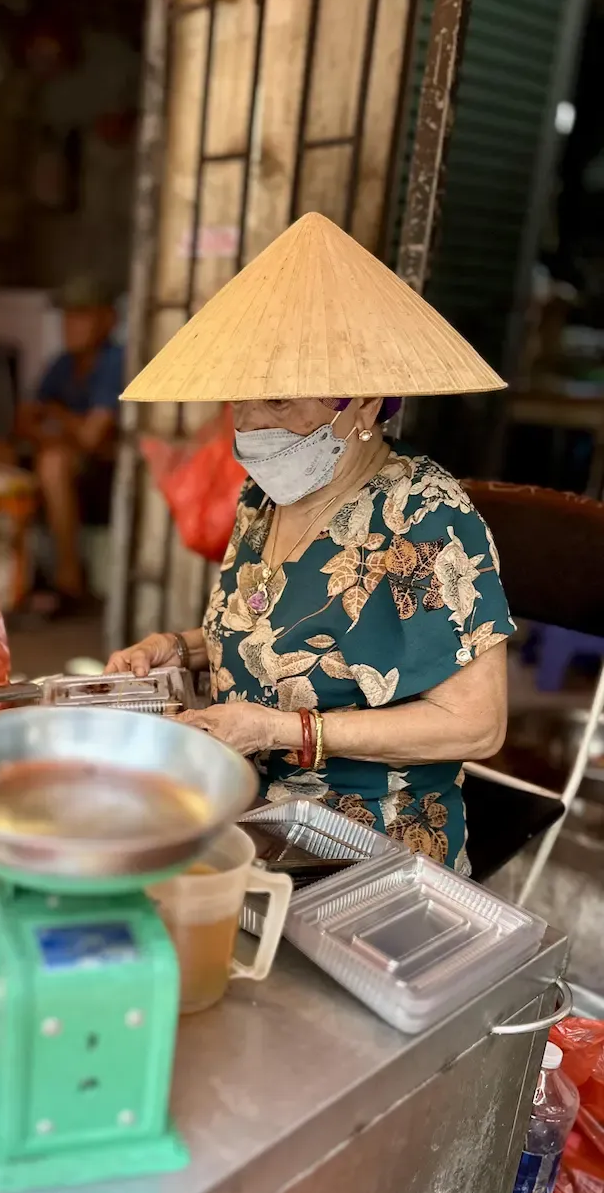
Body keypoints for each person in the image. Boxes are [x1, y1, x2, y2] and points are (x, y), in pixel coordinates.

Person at [106, 212, 513, 871]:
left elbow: (477, 724)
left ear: (360, 403)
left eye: (281, 404)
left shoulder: (425, 520)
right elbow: (277, 633)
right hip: (245, 806)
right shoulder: (266, 498)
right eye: (243, 403)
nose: (251, 427)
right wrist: (174, 647)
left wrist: (280, 730)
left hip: (366, 841)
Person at [16, 276, 122, 616]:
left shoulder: (115, 361)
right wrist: (57, 427)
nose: (70, 326)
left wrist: (58, 416)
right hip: (72, 457)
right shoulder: (63, 363)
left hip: (108, 472)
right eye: (67, 317)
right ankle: (18, 577)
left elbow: (93, 437)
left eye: (81, 316)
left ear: (107, 320)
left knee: (53, 462)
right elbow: (23, 422)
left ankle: (68, 576)